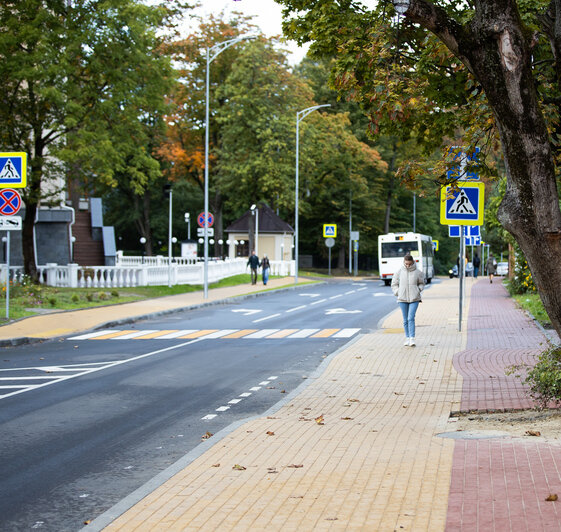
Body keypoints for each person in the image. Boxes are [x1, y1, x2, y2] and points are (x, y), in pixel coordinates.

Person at [391, 254, 425, 347]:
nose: (408, 266)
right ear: (404, 262)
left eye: (409, 264)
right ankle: (407, 337)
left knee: (411, 318)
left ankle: (412, 338)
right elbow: (394, 284)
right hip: (402, 299)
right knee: (405, 319)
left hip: (414, 298)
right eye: (406, 264)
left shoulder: (418, 272)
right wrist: (398, 292)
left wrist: (418, 290)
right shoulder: (399, 272)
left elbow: (422, 283)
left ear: (413, 262)